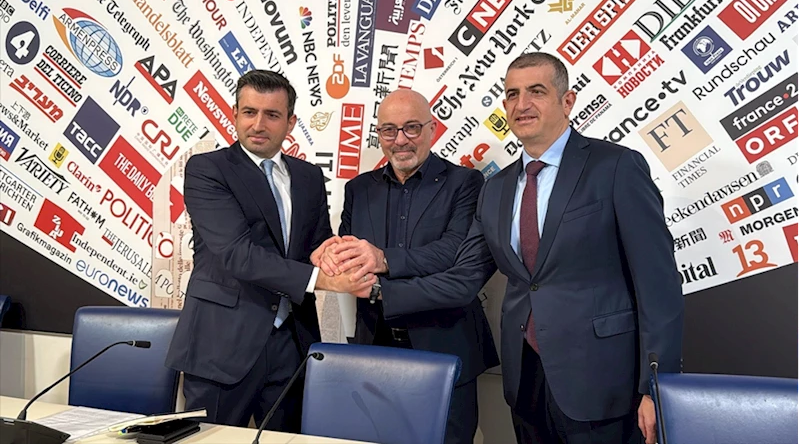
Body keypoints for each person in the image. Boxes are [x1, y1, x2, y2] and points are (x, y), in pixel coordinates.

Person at [346, 53, 684, 444]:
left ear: (567, 101)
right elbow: (464, 277)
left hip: (604, 383)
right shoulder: (496, 188)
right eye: (512, 94)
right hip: (526, 382)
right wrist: (378, 290)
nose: (522, 104)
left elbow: (658, 282)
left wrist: (656, 383)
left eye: (536, 91)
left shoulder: (616, 167)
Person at [165, 70, 374, 431]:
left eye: (272, 115)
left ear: (290, 122)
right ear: (235, 114)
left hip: (292, 342)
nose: (258, 124)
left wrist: (336, 256)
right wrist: (324, 280)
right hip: (222, 344)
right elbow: (237, 254)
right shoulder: (207, 170)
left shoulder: (308, 176)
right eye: (249, 112)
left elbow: (316, 242)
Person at [312, 89, 499, 444]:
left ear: (432, 129)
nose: (400, 140)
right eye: (389, 130)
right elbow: (351, 259)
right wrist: (331, 256)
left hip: (445, 345)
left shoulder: (466, 182)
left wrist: (382, 259)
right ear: (379, 134)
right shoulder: (358, 188)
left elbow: (454, 253)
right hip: (374, 347)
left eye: (412, 128)